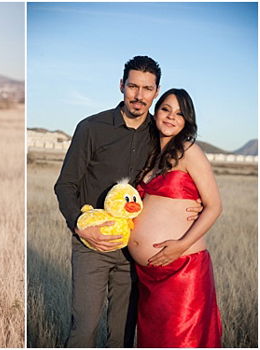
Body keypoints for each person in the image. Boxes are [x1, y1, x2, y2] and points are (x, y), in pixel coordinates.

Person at [54, 56, 202, 347]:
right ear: (121, 86)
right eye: (133, 86)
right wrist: (79, 227)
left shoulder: (159, 135)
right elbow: (65, 185)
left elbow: (173, 180)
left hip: (132, 254)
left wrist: (191, 204)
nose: (139, 95)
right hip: (91, 246)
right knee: (83, 328)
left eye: (147, 89)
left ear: (156, 91)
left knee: (123, 334)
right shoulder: (91, 128)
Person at [130, 88, 222, 347]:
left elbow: (214, 206)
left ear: (187, 121)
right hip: (149, 276)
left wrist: (180, 245)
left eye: (179, 113)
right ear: (155, 112)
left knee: (180, 341)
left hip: (182, 271)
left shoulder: (189, 151)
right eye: (165, 109)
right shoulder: (152, 157)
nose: (171, 117)